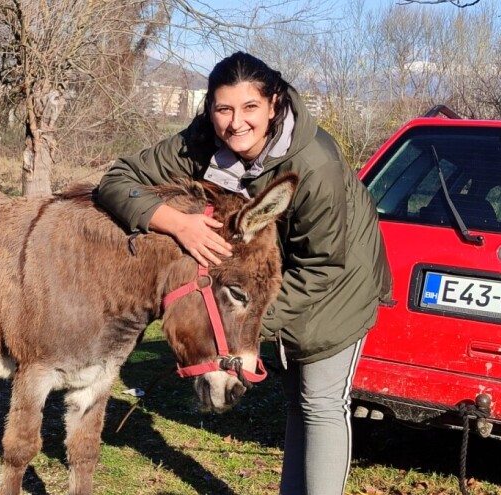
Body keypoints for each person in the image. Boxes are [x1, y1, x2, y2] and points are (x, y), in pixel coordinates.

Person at [95, 51, 392, 495]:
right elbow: (118, 180)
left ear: (274, 104)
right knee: (297, 404)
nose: (236, 123)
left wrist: (246, 333)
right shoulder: (201, 140)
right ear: (209, 109)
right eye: (224, 109)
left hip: (336, 284)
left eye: (250, 107)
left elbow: (324, 266)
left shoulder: (317, 166)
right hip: (262, 283)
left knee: (322, 403)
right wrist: (174, 222)